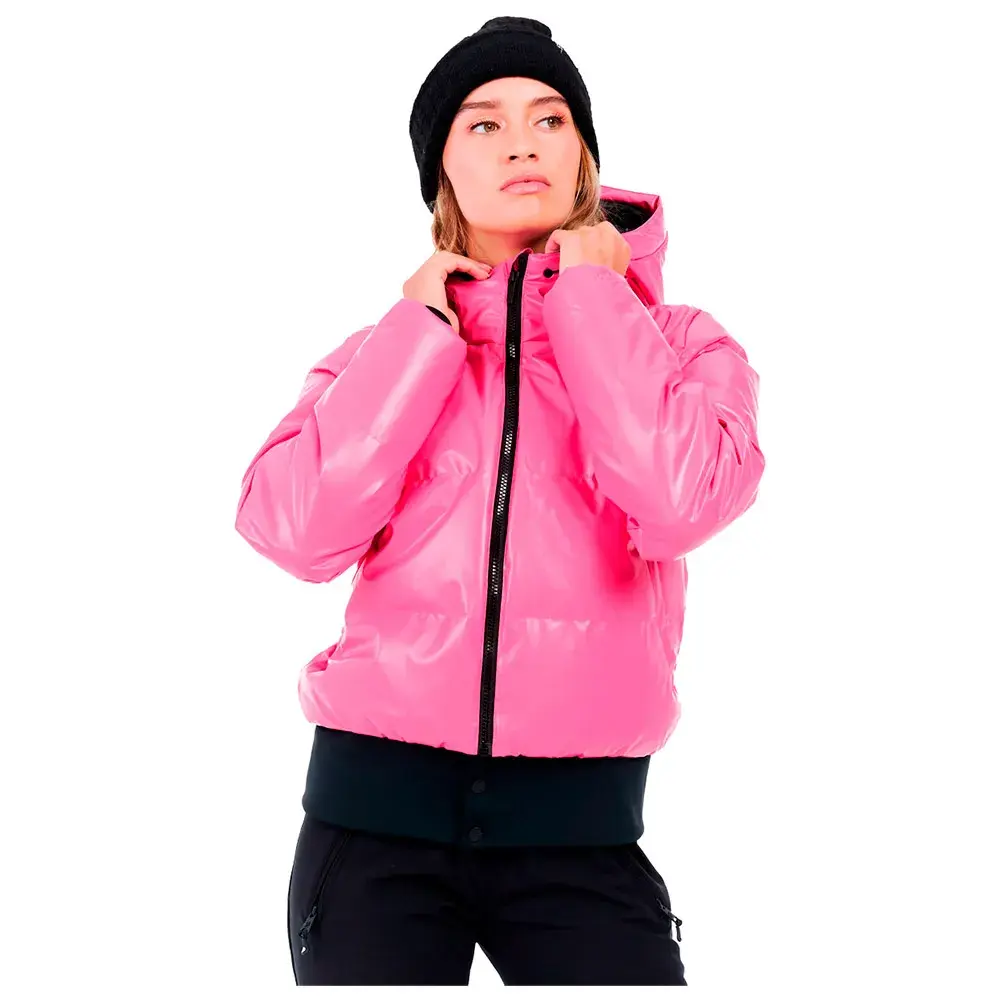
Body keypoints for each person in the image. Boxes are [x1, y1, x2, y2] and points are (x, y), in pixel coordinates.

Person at [234, 15, 765, 986]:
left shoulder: (685, 345)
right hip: (371, 826)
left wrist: (594, 302)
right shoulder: (385, 349)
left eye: (550, 118)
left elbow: (679, 501)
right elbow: (292, 532)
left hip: (582, 835)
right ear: (440, 172)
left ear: (583, 155)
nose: (523, 143)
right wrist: (417, 338)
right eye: (483, 123)